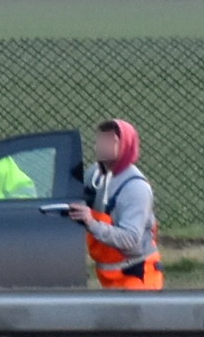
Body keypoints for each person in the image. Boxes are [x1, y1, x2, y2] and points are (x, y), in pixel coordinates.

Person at [68, 119, 163, 290]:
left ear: (126, 145)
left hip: (137, 277)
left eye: (111, 141)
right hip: (110, 278)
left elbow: (130, 239)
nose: (102, 146)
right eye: (100, 140)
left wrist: (91, 223)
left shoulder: (135, 188)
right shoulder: (94, 174)